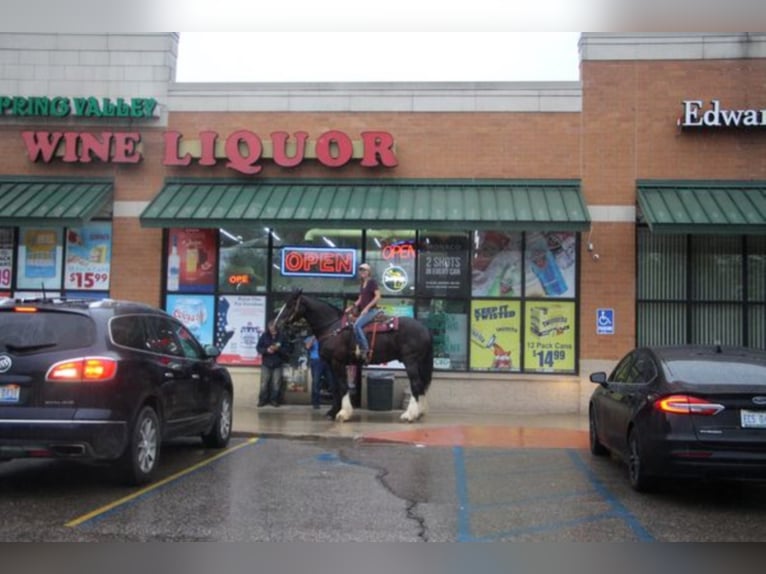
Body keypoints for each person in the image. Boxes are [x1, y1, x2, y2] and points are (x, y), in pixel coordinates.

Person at [345, 262, 382, 363]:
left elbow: (378, 296)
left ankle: (365, 349)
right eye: (361, 270)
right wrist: (352, 307)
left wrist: (367, 308)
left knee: (357, 325)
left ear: (369, 272)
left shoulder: (372, 282)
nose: (362, 272)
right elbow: (360, 299)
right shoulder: (362, 284)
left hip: (372, 310)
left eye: (364, 270)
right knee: (352, 324)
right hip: (365, 311)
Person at [256, 320, 290, 407]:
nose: (272, 329)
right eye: (271, 327)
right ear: (268, 327)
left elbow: (287, 349)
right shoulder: (264, 336)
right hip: (266, 363)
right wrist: (266, 350)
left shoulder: (281, 336)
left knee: (276, 384)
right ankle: (262, 400)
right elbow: (258, 347)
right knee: (264, 383)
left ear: (276, 327)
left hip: (277, 363)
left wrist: (278, 349)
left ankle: (274, 400)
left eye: (274, 327)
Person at [304, 334, 334, 409]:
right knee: (316, 382)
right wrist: (313, 338)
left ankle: (335, 400)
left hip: (326, 360)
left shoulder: (325, 336)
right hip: (316, 360)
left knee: (332, 381)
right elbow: (307, 347)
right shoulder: (310, 338)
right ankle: (315, 402)